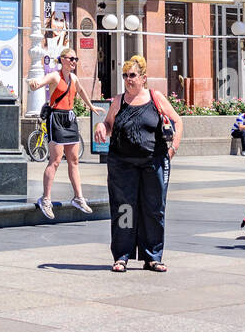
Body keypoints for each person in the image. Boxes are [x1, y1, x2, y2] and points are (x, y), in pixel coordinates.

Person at [93, 54, 183, 272]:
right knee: (124, 209)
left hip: (154, 162)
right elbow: (108, 124)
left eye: (132, 75)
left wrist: (173, 149)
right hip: (122, 163)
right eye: (125, 75)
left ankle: (152, 256)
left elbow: (177, 121)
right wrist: (101, 127)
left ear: (143, 77)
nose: (128, 79)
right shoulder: (118, 100)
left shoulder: (156, 97)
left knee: (153, 209)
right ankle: (122, 255)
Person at [28, 48, 104, 219]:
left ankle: (78, 198)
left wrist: (90, 106)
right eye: (71, 58)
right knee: (55, 160)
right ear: (62, 59)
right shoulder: (55, 76)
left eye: (75, 59)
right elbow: (41, 82)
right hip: (56, 119)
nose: (74, 61)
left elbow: (82, 91)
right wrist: (35, 84)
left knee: (74, 160)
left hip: (70, 119)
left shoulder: (74, 78)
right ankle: (45, 199)